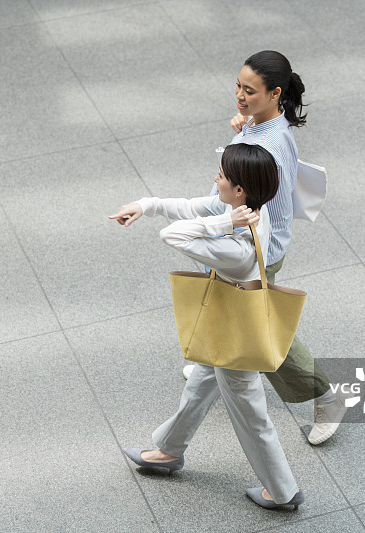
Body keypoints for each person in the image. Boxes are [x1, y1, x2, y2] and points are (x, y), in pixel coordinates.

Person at [109, 143, 304, 510]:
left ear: (239, 190)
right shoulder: (248, 211)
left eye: (222, 176)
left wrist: (224, 224)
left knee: (252, 416)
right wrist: (146, 205)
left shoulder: (237, 245)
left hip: (234, 340)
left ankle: (283, 492)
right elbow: (187, 207)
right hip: (224, 329)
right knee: (200, 384)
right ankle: (168, 450)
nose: (215, 179)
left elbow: (174, 235)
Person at [196, 50, 348, 445]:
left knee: (262, 329)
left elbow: (249, 202)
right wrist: (244, 126)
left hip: (253, 248)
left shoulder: (271, 147)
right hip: (240, 240)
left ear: (275, 92)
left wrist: (211, 227)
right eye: (238, 86)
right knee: (226, 306)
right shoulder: (267, 123)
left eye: (250, 91)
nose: (239, 96)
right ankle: (207, 367)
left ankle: (325, 396)